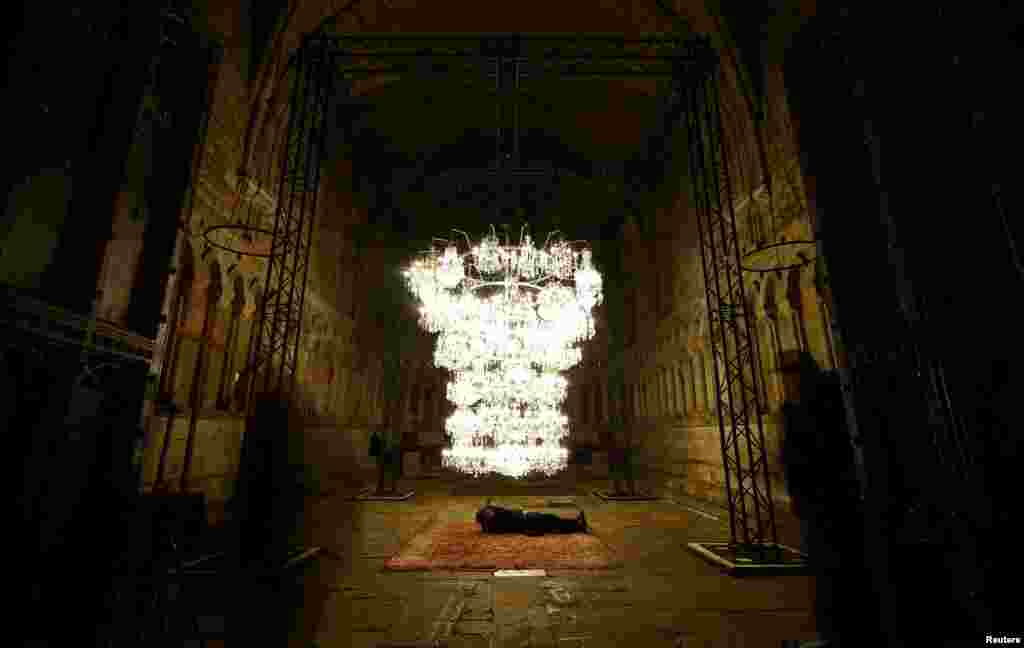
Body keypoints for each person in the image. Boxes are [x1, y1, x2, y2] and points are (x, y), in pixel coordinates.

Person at [780, 351, 879, 646]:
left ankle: (839, 634)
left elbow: (802, 455)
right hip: (829, 500)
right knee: (835, 571)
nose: (787, 383)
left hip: (827, 502)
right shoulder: (826, 396)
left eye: (789, 376)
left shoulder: (808, 405)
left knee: (833, 572)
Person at [476, 504, 588, 536]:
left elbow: (497, 508)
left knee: (552, 520)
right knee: (552, 521)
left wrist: (489, 508)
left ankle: (575, 523)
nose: (489, 510)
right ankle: (577, 526)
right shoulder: (496, 522)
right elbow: (500, 512)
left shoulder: (494, 518)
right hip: (528, 522)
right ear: (485, 517)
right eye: (486, 511)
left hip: (527, 517)